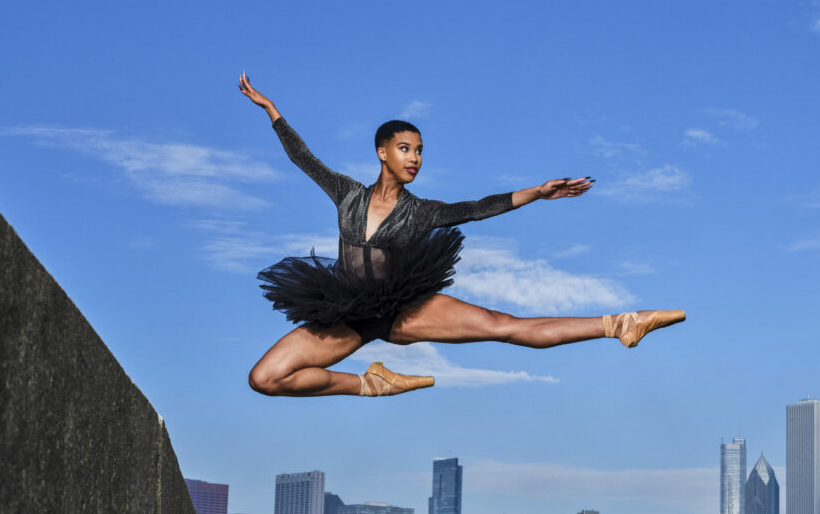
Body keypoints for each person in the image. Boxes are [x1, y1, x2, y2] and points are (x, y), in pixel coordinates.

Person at [238, 72, 685, 397]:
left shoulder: (421, 211)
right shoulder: (347, 194)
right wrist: (273, 111)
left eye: (419, 152)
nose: (414, 158)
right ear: (382, 152)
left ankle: (620, 324)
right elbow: (304, 158)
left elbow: (475, 209)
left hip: (402, 311)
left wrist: (537, 192)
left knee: (502, 326)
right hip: (346, 315)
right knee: (266, 378)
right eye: (405, 149)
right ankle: (369, 383)